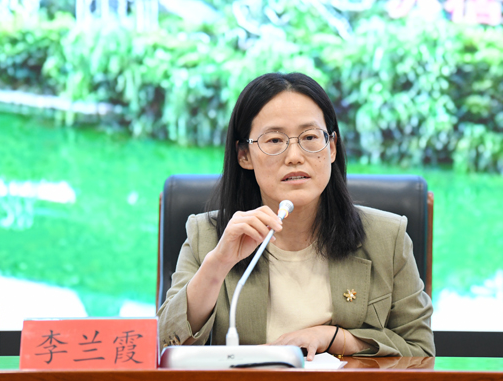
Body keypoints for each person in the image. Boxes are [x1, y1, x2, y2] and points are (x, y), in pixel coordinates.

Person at [157, 72, 435, 359]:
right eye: (274, 140)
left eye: (310, 137)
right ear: (244, 155)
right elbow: (162, 348)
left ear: (331, 147)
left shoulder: (387, 237)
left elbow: (421, 352)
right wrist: (218, 264)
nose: (294, 156)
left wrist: (336, 338)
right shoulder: (206, 235)